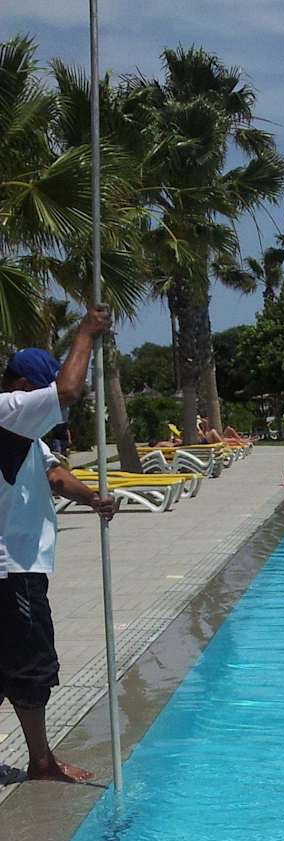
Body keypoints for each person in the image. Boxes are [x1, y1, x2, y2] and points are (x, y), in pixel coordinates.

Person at [1, 309, 117, 783]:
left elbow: (54, 475)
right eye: (41, 392)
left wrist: (93, 499)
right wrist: (86, 331)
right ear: (22, 387)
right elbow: (67, 391)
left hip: (19, 567)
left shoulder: (25, 436)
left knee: (11, 665)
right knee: (31, 666)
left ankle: (41, 759)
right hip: (11, 568)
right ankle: (42, 761)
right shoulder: (6, 410)